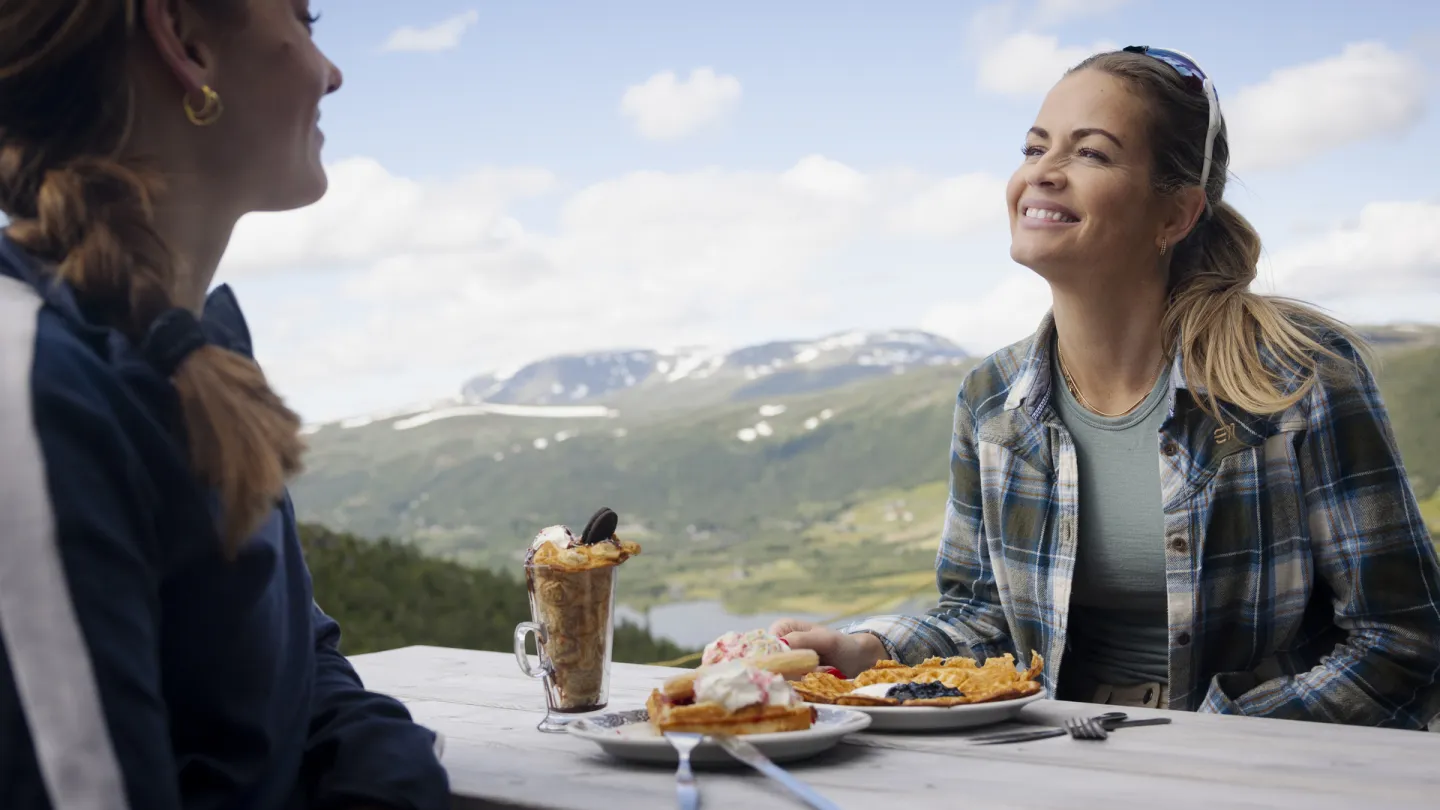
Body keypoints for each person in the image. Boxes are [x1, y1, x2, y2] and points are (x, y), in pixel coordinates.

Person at [775, 46, 1440, 729]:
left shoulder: (1295, 374)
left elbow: (1402, 641)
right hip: (1054, 749)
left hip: (1255, 761)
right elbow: (982, 618)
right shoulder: (992, 398)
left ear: (1175, 216)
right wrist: (861, 649)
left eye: (1090, 153)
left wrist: (1215, 742)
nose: (1042, 173)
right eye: (1035, 147)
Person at [0, 1, 451, 808]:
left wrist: (392, 777)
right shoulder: (31, 395)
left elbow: (297, 669)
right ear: (185, 42)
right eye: (305, 20)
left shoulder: (189, 362)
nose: (332, 74)